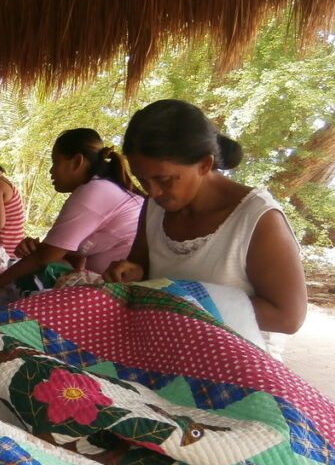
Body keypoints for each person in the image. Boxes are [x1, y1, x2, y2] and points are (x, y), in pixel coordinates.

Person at [104, 99, 306, 336]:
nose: (153, 192)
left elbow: (288, 317)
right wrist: (132, 276)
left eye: (164, 179)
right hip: (165, 347)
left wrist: (180, 299)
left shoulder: (257, 218)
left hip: (235, 361)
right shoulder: (155, 207)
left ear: (204, 164)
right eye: (142, 180)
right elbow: (144, 275)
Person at [0, 128, 144, 308]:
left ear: (77, 162)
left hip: (120, 297)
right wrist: (39, 248)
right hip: (109, 290)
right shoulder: (102, 189)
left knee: (3, 300)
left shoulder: (93, 192)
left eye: (55, 162)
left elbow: (43, 258)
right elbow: (69, 258)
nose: (51, 171)